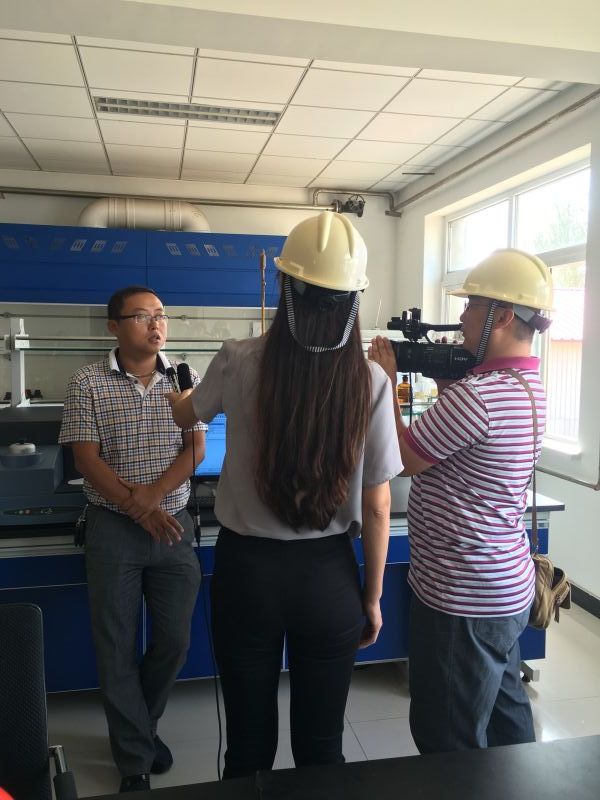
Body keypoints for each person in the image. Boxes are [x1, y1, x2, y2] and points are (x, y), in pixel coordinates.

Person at [168, 211, 402, 779]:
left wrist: (179, 387)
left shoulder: (238, 359)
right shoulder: (372, 381)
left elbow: (185, 416)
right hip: (328, 579)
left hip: (247, 574)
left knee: (248, 749)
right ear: (353, 300)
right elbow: (377, 507)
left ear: (284, 286)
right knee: (322, 750)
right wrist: (371, 598)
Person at [369, 249, 553, 754]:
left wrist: (385, 385)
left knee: (446, 738)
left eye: (473, 304)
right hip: (503, 586)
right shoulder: (526, 385)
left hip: (461, 597)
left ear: (504, 316)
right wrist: (449, 385)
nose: (464, 315)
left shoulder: (479, 396)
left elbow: (404, 458)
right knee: (504, 720)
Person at [59, 286, 205, 792]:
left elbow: (196, 448)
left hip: (173, 525)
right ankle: (133, 760)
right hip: (112, 529)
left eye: (161, 315)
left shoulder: (184, 376)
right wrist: (136, 508)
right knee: (115, 644)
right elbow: (86, 459)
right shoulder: (87, 382)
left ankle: (141, 727)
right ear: (114, 327)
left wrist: (154, 498)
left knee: (175, 640)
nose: (155, 324)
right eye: (142, 316)